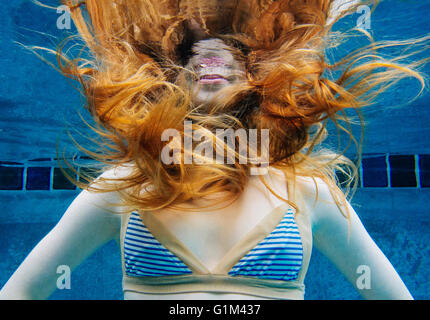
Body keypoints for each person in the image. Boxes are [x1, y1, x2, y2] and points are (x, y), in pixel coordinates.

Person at [0, 0, 425, 300]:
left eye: (231, 54)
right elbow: (20, 292)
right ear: (171, 79)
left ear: (257, 77)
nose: (210, 59)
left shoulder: (309, 193)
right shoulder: (124, 188)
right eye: (193, 57)